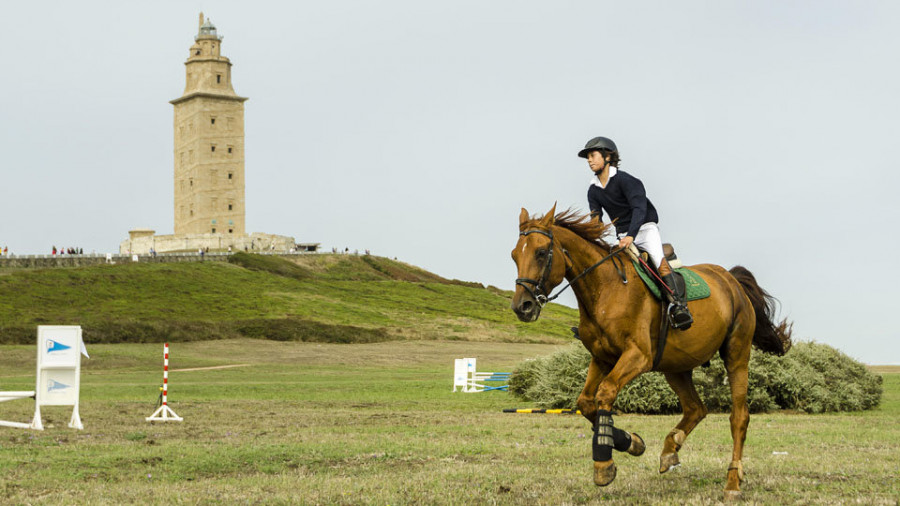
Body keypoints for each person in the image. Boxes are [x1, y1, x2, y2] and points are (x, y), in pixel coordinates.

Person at [578, 136, 693, 329]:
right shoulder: (593, 190)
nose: (589, 160)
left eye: (593, 155)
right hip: (623, 235)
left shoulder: (628, 181)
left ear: (607, 157)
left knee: (658, 260)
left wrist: (631, 235)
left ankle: (679, 306)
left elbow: (639, 210)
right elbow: (596, 219)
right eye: (588, 157)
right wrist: (591, 239)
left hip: (645, 228)